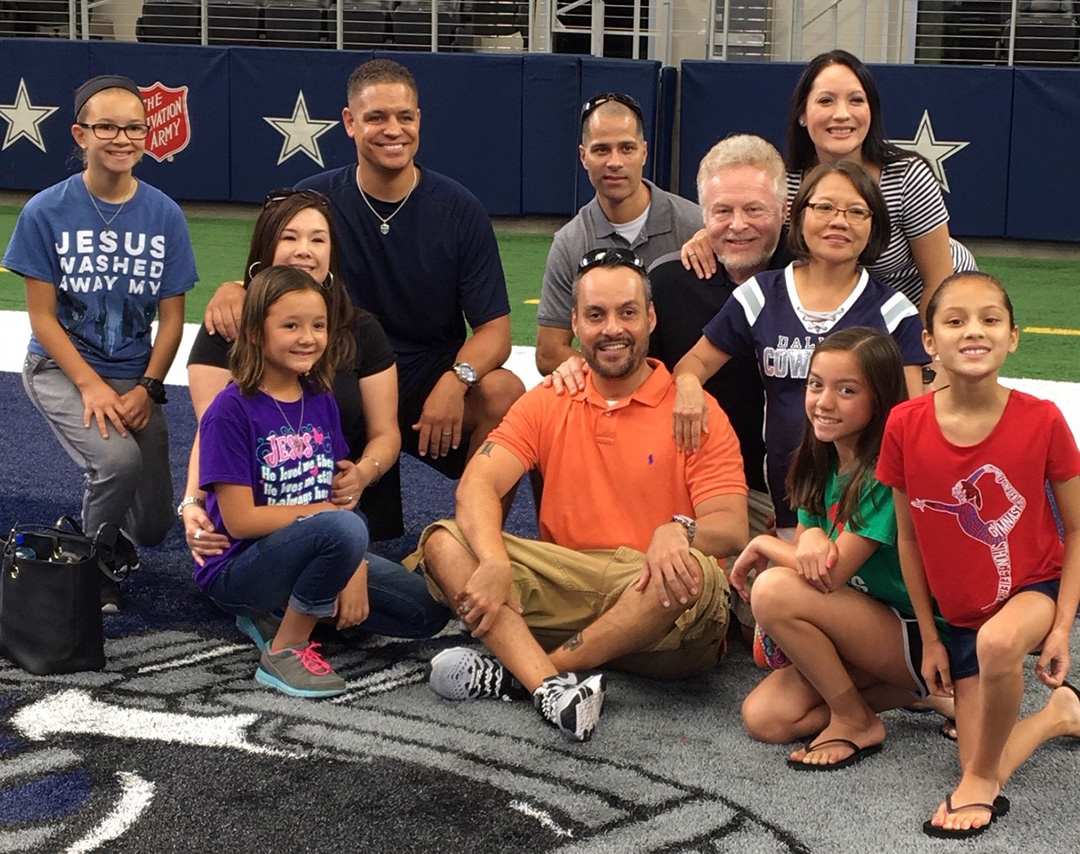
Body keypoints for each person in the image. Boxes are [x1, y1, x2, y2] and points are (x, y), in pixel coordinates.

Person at [414, 248, 749, 742]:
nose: (612, 328)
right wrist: (492, 560)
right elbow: (479, 484)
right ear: (574, 323)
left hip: (660, 613)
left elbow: (731, 526)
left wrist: (679, 529)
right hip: (568, 591)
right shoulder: (550, 399)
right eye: (595, 315)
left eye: (627, 313)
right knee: (444, 541)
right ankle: (553, 687)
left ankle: (528, 674)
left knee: (695, 572)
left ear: (650, 318)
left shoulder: (692, 409)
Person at [201, 59, 523, 481]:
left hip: (427, 377)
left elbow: (495, 331)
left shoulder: (459, 209)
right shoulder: (311, 199)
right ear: (350, 123)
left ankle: (474, 535)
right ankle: (260, 505)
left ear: (419, 120)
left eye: (404, 116)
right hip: (337, 368)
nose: (393, 130)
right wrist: (234, 288)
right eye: (377, 117)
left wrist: (455, 381)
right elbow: (269, 282)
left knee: (505, 394)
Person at [183, 189, 448, 643]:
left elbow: (370, 446)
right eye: (289, 237)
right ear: (265, 249)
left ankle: (304, 593)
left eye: (318, 239)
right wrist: (191, 505)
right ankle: (287, 631)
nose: (304, 249)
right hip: (257, 528)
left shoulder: (338, 363)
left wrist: (356, 497)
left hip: (326, 513)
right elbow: (213, 434)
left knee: (425, 612)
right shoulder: (230, 326)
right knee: (331, 546)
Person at [878, 271, 1080, 838]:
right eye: (956, 320)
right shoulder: (905, 423)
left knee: (996, 652)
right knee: (977, 751)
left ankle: (979, 784)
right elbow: (910, 537)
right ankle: (1059, 715)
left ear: (1013, 336)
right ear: (928, 341)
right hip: (959, 616)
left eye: (990, 319)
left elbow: (1077, 529)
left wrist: (1061, 626)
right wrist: (933, 638)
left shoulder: (1041, 419)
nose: (974, 331)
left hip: (1031, 591)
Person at [2, 74, 198, 612]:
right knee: (117, 463)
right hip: (62, 368)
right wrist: (91, 388)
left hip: (135, 373)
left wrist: (148, 388)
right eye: (106, 126)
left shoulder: (164, 213)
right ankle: (89, 564)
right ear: (80, 134)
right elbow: (41, 319)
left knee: (156, 527)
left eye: (134, 127)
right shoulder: (46, 210)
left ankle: (100, 533)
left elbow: (174, 321)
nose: (122, 138)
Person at [672, 160, 928, 535]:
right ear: (799, 213)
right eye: (824, 207)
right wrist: (689, 387)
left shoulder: (894, 312)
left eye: (857, 211)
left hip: (865, 511)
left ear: (874, 225)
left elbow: (909, 422)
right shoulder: (761, 294)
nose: (838, 221)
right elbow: (693, 363)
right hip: (788, 501)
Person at [735, 327, 947, 769]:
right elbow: (816, 549)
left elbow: (827, 573)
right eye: (816, 384)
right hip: (865, 626)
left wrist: (767, 543)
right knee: (766, 718)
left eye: (846, 390)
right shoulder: (824, 457)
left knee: (774, 590)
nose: (824, 401)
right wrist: (808, 535)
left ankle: (855, 719)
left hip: (922, 633)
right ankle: (937, 694)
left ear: (880, 399)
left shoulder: (887, 471)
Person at [682, 50, 977, 320]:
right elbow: (753, 226)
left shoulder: (907, 176)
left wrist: (919, 355)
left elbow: (939, 281)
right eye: (826, 100)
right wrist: (708, 236)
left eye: (856, 100)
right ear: (802, 114)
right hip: (850, 311)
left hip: (925, 305)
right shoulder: (788, 179)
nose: (842, 114)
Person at [197, 266, 369, 698]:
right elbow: (239, 522)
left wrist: (355, 564)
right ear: (255, 332)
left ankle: (285, 607)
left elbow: (335, 493)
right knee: (343, 528)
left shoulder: (320, 398)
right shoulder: (231, 410)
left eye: (317, 325)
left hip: (307, 546)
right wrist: (334, 526)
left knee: (418, 611)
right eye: (290, 325)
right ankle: (285, 648)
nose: (307, 337)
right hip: (239, 567)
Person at [534, 92, 702, 375]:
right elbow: (549, 352)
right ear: (583, 156)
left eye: (626, 148)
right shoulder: (570, 242)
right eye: (601, 150)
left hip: (685, 387)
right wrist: (618, 375)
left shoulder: (695, 226)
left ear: (644, 152)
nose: (615, 162)